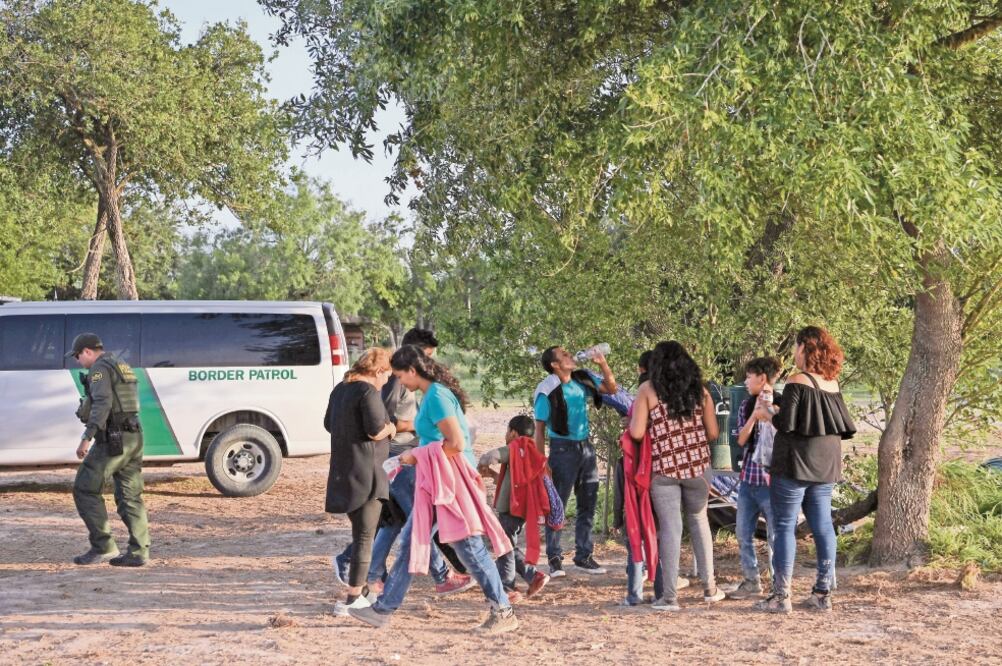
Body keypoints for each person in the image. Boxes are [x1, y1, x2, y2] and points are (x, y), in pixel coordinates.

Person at [349, 345, 518, 634]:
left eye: (401, 376)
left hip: (451, 483)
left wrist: (416, 456)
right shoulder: (434, 394)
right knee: (411, 542)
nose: (400, 382)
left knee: (470, 549)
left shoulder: (437, 396)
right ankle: (382, 610)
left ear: (413, 371)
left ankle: (502, 610)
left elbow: (456, 444)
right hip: (438, 480)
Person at [333, 328, 470, 595]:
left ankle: (365, 568)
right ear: (415, 354)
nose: (430, 363)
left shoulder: (409, 379)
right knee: (417, 517)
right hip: (398, 453)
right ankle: (441, 575)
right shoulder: (395, 379)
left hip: (404, 452)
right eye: (427, 356)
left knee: (395, 520)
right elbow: (381, 418)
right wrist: (418, 426)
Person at [754, 326, 855, 614]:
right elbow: (811, 415)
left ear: (804, 348)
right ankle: (823, 592)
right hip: (826, 464)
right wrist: (777, 402)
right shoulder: (831, 383)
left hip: (796, 463)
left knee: (785, 525)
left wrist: (766, 413)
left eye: (797, 347)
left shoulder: (798, 380)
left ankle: (780, 595)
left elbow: (786, 423)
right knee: (823, 524)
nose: (795, 353)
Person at [628, 341, 725, 610]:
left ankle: (669, 597)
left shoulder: (647, 390)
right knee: (699, 521)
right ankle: (710, 588)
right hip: (698, 469)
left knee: (670, 530)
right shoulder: (701, 392)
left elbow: (636, 433)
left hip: (665, 470)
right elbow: (714, 433)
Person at [323, 348, 396, 615]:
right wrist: (392, 428)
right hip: (369, 473)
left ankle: (362, 589)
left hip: (345, 471)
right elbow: (376, 430)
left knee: (363, 532)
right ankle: (353, 598)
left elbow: (328, 424)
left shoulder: (340, 390)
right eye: (387, 375)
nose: (387, 381)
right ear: (378, 371)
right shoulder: (368, 392)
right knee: (366, 536)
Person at [67, 333, 150, 567]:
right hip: (134, 435)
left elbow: (102, 404)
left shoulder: (99, 369)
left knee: (84, 487)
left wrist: (87, 437)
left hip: (114, 439)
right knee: (130, 496)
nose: (77, 361)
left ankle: (103, 546)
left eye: (77, 356)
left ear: (87, 351)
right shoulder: (120, 364)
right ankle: (139, 552)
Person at [533, 345, 617, 576]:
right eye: (564, 355)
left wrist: (602, 364)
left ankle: (584, 556)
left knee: (588, 501)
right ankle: (554, 559)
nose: (571, 356)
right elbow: (539, 430)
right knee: (557, 505)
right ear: (555, 365)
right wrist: (543, 464)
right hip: (562, 450)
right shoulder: (547, 390)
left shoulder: (581, 381)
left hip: (585, 448)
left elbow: (611, 388)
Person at [478, 415, 551, 602]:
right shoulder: (530, 451)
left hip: (510, 509)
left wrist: (481, 464)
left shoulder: (516, 447)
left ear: (513, 432)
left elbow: (490, 456)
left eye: (506, 431)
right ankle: (532, 576)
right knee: (508, 544)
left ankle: (506, 587)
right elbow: (516, 481)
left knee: (505, 548)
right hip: (522, 507)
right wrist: (493, 475)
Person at [726, 356, 782, 601]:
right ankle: (751, 581)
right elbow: (739, 439)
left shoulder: (783, 402)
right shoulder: (746, 405)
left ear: (762, 378)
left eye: (749, 377)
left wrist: (771, 413)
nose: (746, 382)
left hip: (773, 481)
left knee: (776, 536)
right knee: (742, 532)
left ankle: (778, 584)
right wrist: (754, 417)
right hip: (749, 479)